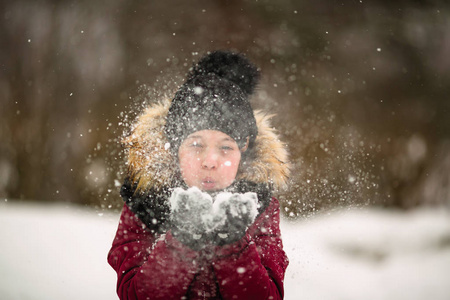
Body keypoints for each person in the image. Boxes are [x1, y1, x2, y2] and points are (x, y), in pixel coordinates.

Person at [108, 50, 290, 300]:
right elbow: (136, 295)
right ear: (174, 147)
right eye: (196, 144)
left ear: (244, 150)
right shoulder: (144, 202)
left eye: (226, 147)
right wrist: (182, 240)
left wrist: (233, 244)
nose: (210, 161)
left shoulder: (257, 205)